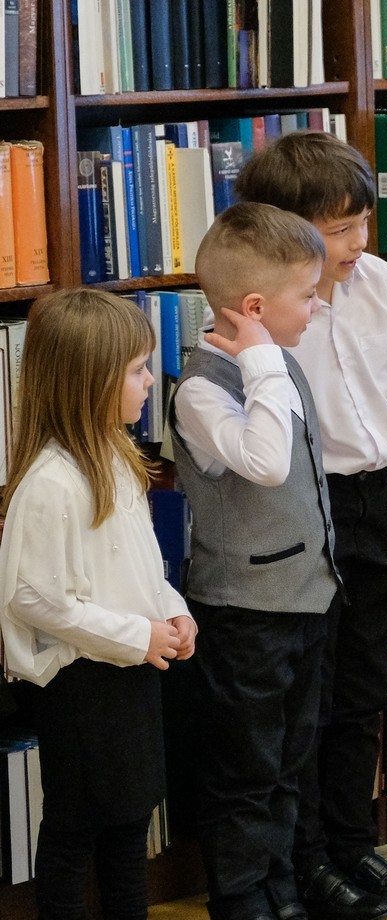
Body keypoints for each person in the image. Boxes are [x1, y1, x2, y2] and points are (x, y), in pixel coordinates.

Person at [232, 131, 387, 919]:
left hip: (374, 501)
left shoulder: (381, 284)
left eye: (362, 223)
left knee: (362, 685)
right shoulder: (267, 312)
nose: (358, 242)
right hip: (301, 506)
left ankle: (355, 846)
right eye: (340, 229)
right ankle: (309, 859)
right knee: (309, 696)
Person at [0, 289, 195, 920]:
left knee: (128, 825)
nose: (150, 382)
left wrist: (173, 610)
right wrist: (137, 635)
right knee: (75, 831)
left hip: (132, 671)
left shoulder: (116, 455)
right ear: (89, 382)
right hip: (84, 686)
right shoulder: (51, 483)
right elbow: (34, 599)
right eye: (138, 370)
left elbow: (140, 564)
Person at [171, 203, 341, 920]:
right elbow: (267, 462)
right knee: (247, 768)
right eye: (306, 294)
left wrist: (270, 360)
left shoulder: (280, 366)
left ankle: (282, 889)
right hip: (245, 612)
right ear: (253, 309)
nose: (318, 304)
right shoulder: (201, 390)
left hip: (305, 597)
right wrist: (264, 360)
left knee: (291, 761)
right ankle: (242, 900)